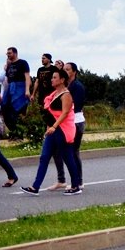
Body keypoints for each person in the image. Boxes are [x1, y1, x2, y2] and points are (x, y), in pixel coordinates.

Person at [21, 66, 82, 195]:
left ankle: (76, 185)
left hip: (63, 130)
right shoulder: (54, 94)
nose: (52, 80)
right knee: (44, 157)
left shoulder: (66, 95)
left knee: (68, 157)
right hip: (53, 130)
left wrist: (54, 126)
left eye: (54, 77)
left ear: (62, 80)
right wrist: (49, 127)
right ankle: (35, 187)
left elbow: (65, 113)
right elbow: (51, 114)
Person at [47, 62, 87, 191]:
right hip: (64, 122)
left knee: (72, 152)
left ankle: (78, 181)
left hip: (75, 122)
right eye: (64, 69)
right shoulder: (64, 87)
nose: (65, 71)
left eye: (68, 69)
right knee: (56, 151)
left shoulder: (77, 87)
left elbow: (72, 107)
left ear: (74, 72)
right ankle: (61, 180)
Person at [0, 47, 31, 129]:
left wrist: (27, 90)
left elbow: (27, 76)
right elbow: (7, 79)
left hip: (20, 87)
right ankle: (12, 130)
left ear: (15, 53)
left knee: (17, 108)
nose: (8, 55)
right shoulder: (9, 65)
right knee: (5, 107)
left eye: (9, 53)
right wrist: (5, 92)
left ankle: (18, 131)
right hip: (10, 88)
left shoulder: (22, 63)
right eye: (7, 53)